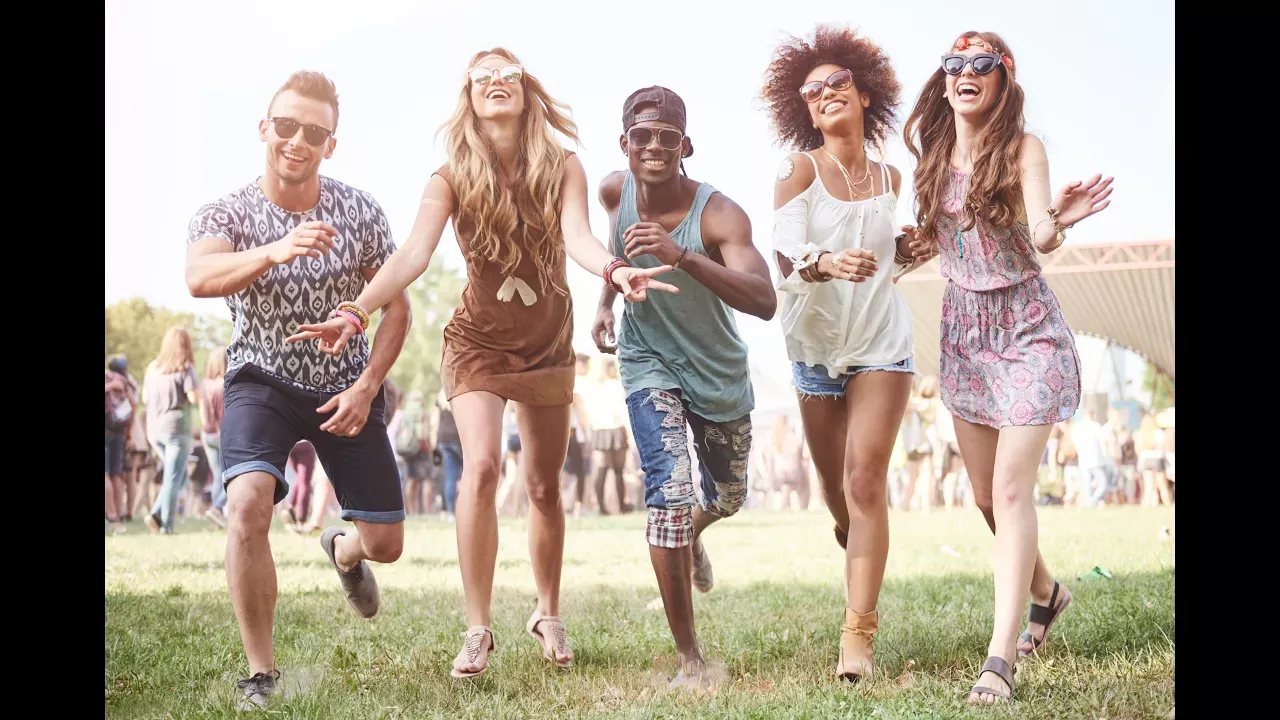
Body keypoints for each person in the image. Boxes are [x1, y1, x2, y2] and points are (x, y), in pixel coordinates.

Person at [288, 49, 675, 679]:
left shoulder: (563, 166)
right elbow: (413, 254)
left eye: (509, 74)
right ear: (469, 96)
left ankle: (547, 612)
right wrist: (357, 310)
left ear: (526, 90)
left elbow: (579, 237)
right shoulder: (448, 177)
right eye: (483, 76)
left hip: (547, 339)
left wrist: (615, 269)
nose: (497, 82)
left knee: (544, 485)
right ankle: (477, 628)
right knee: (484, 467)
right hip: (478, 342)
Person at [184, 70, 411, 707]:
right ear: (265, 128)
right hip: (261, 378)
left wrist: (368, 386)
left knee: (387, 545)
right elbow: (199, 276)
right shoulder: (227, 211)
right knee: (246, 504)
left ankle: (344, 550)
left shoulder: (359, 210)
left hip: (345, 387)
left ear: (330, 144)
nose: (298, 141)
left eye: (314, 132)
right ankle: (261, 674)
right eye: (286, 126)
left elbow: (397, 307)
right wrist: (274, 250)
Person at [902, 30, 1113, 704]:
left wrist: (1061, 217)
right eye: (954, 64)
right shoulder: (934, 154)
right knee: (988, 497)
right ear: (944, 81)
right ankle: (1048, 593)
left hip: (1025, 329)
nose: (965, 72)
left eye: (981, 64)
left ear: (1003, 79)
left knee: (1013, 491)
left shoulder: (1025, 149)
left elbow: (1042, 234)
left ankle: (999, 660)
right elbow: (933, 242)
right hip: (964, 332)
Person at [592, 85, 774, 688]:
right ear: (624, 142)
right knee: (668, 495)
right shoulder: (613, 192)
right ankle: (690, 659)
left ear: (685, 145)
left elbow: (764, 301)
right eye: (641, 135)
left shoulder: (720, 215)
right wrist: (604, 302)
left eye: (666, 136)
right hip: (648, 360)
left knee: (726, 497)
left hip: (717, 371)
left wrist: (683, 257)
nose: (654, 146)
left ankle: (694, 533)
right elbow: (615, 253)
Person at [762, 25, 919, 682]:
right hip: (814, 348)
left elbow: (881, 267)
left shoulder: (891, 176)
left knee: (864, 481)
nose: (825, 93)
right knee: (835, 491)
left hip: (881, 341)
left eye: (837, 83)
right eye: (811, 91)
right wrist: (825, 262)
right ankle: (852, 533)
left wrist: (906, 253)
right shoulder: (798, 169)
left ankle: (858, 635)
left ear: (864, 93)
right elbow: (781, 257)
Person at [142, 327, 200, 535]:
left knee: (177, 475)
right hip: (177, 428)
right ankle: (165, 525)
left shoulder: (153, 368)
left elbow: (145, 399)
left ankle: (156, 514)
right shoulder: (185, 367)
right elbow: (194, 398)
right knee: (174, 478)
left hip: (155, 428)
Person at [581, 356, 631, 514]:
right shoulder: (615, 385)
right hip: (616, 428)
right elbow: (622, 411)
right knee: (618, 470)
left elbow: (586, 413)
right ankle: (621, 506)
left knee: (602, 469)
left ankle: (602, 507)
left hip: (598, 430)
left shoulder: (588, 387)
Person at [105, 355, 138, 532]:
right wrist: (129, 432)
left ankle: (111, 516)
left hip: (107, 429)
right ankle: (118, 513)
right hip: (120, 431)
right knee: (116, 474)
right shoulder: (126, 381)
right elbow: (133, 405)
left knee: (105, 473)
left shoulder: (107, 378)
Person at [202, 346, 229, 528]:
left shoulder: (204, 385)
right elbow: (226, 413)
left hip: (207, 434)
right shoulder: (225, 384)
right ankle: (217, 508)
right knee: (234, 474)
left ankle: (215, 515)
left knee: (217, 475)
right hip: (222, 433)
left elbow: (202, 412)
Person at [562, 354, 592, 516]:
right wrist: (587, 438)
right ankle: (578, 506)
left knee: (563, 472)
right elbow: (581, 417)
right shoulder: (576, 390)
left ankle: (567, 504)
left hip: (560, 436)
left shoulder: (562, 385)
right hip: (571, 436)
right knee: (579, 472)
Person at [431, 387, 464, 521]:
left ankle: (450, 512)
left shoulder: (440, 399)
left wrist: (434, 443)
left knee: (450, 477)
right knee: (466, 475)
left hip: (444, 439)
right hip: (459, 438)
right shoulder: (461, 393)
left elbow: (434, 422)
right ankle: (465, 510)